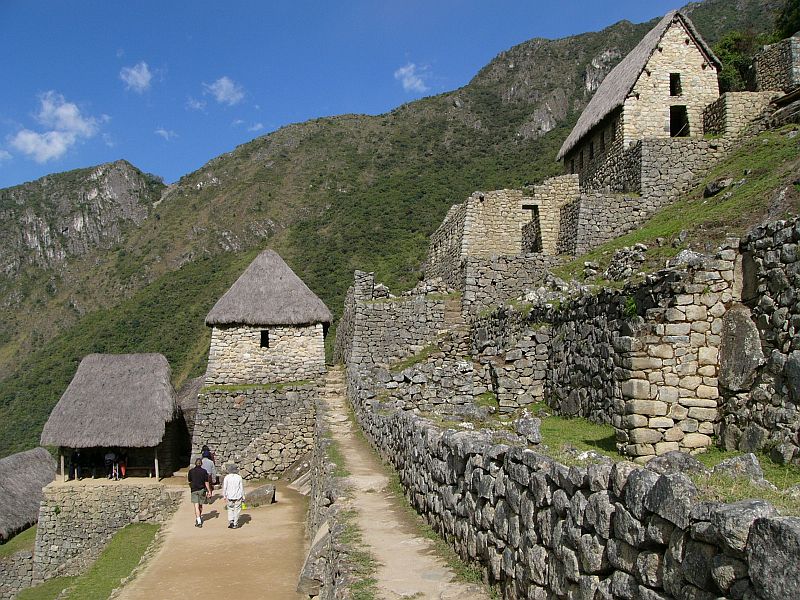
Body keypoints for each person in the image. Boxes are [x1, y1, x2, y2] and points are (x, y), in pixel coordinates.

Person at [188, 458, 212, 528]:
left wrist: (191, 487)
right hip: (202, 490)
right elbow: (206, 482)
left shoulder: (191, 471)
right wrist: (209, 491)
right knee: (200, 505)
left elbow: (189, 480)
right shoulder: (204, 471)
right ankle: (199, 518)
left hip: (194, 490)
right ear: (201, 464)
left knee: (196, 506)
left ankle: (198, 520)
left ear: (195, 463)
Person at [222, 463, 245, 529]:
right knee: (237, 509)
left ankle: (231, 521)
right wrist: (243, 496)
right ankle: (235, 523)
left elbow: (225, 487)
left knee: (230, 508)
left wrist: (224, 495)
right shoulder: (239, 477)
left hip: (229, 496)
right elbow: (241, 488)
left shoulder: (227, 477)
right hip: (237, 496)